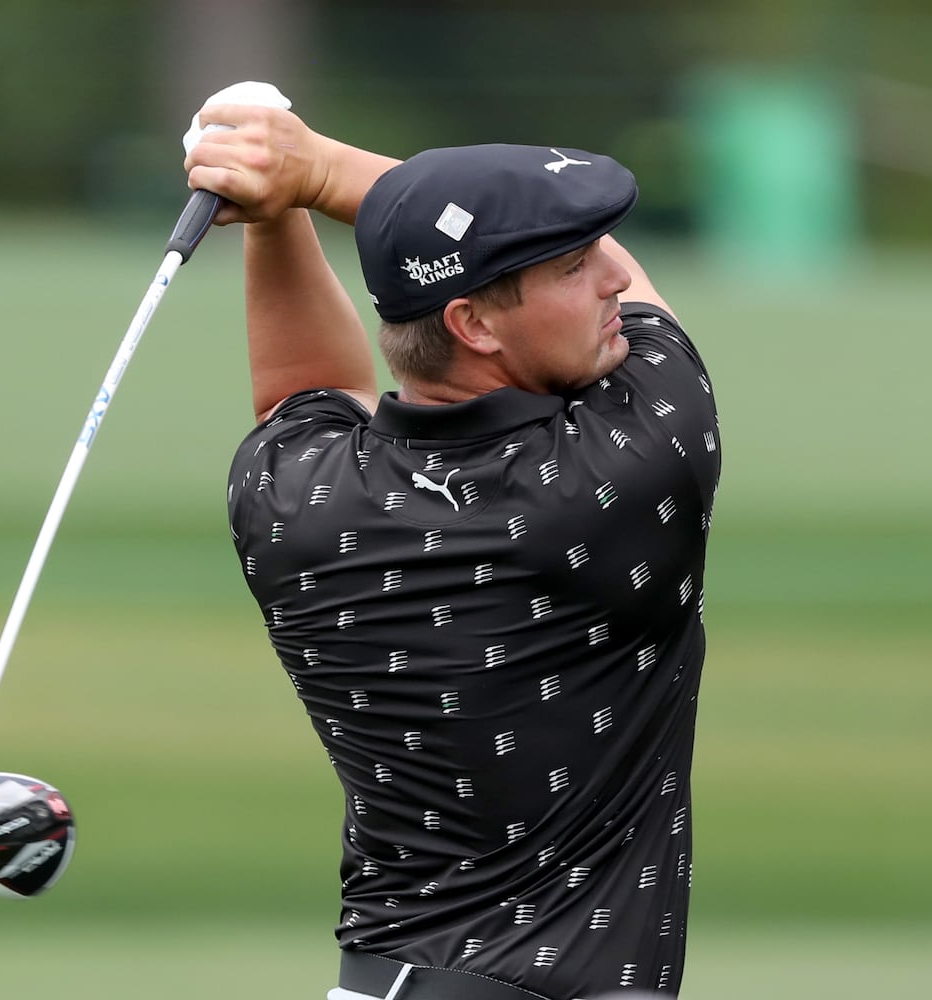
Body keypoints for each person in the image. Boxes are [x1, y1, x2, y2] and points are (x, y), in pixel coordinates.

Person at [184, 95, 721, 1000]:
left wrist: (273, 215)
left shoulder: (294, 502)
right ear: (473, 324)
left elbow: (300, 393)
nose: (611, 282)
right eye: (569, 264)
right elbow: (649, 296)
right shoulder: (620, 472)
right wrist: (310, 170)